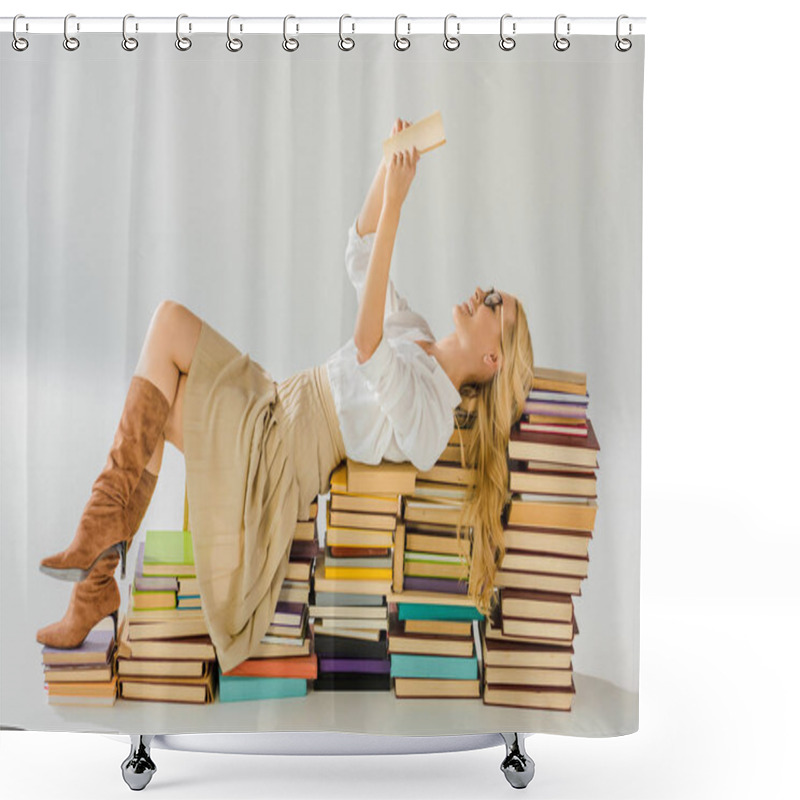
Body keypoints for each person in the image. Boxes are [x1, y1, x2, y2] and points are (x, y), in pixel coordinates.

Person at [36, 118, 535, 673]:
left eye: (493, 302)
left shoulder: (431, 417)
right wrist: (391, 167)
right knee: (165, 337)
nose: (479, 293)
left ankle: (95, 568)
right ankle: (95, 574)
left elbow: (367, 346)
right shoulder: (414, 332)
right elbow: (359, 246)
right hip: (274, 401)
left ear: (494, 359)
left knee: (165, 350)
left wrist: (397, 205)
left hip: (278, 458)